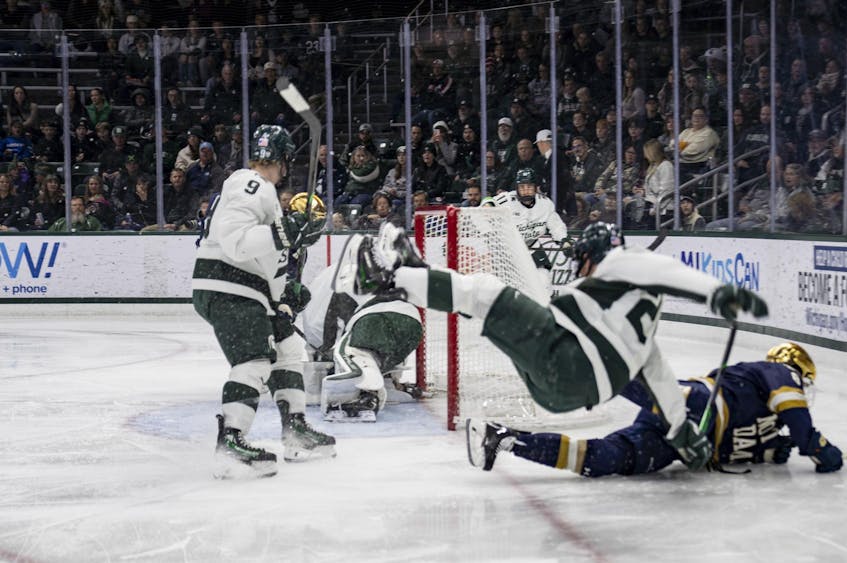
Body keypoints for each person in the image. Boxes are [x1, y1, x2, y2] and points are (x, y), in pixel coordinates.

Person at [356, 222, 770, 471]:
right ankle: (417, 276)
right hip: (562, 394)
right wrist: (683, 436)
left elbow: (662, 269)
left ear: (594, 255)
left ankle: (391, 277)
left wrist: (718, 292)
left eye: (583, 260)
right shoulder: (643, 338)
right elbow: (663, 384)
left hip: (565, 361)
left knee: (486, 291)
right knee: (489, 308)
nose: (581, 269)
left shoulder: (621, 262)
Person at [192, 124, 335, 479]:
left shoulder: (265, 195)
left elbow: (267, 261)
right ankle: (231, 443)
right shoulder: (250, 182)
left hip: (250, 290)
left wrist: (285, 299)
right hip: (229, 285)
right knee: (254, 359)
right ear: (284, 160)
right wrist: (285, 232)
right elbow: (236, 241)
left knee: (287, 347)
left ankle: (295, 431)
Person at [468, 343, 843, 476]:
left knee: (605, 460)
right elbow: (795, 413)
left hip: (681, 443)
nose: (801, 389)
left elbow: (728, 450)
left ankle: (507, 440)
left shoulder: (770, 429)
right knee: (646, 391)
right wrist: (814, 443)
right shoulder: (777, 372)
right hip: (698, 404)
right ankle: (582, 363)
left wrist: (768, 450)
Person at [301, 235, 424, 422]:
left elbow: (330, 319)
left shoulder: (343, 275)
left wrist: (326, 348)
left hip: (375, 318)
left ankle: (366, 391)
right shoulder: (384, 270)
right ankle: (386, 381)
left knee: (347, 352)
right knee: (378, 352)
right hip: (413, 323)